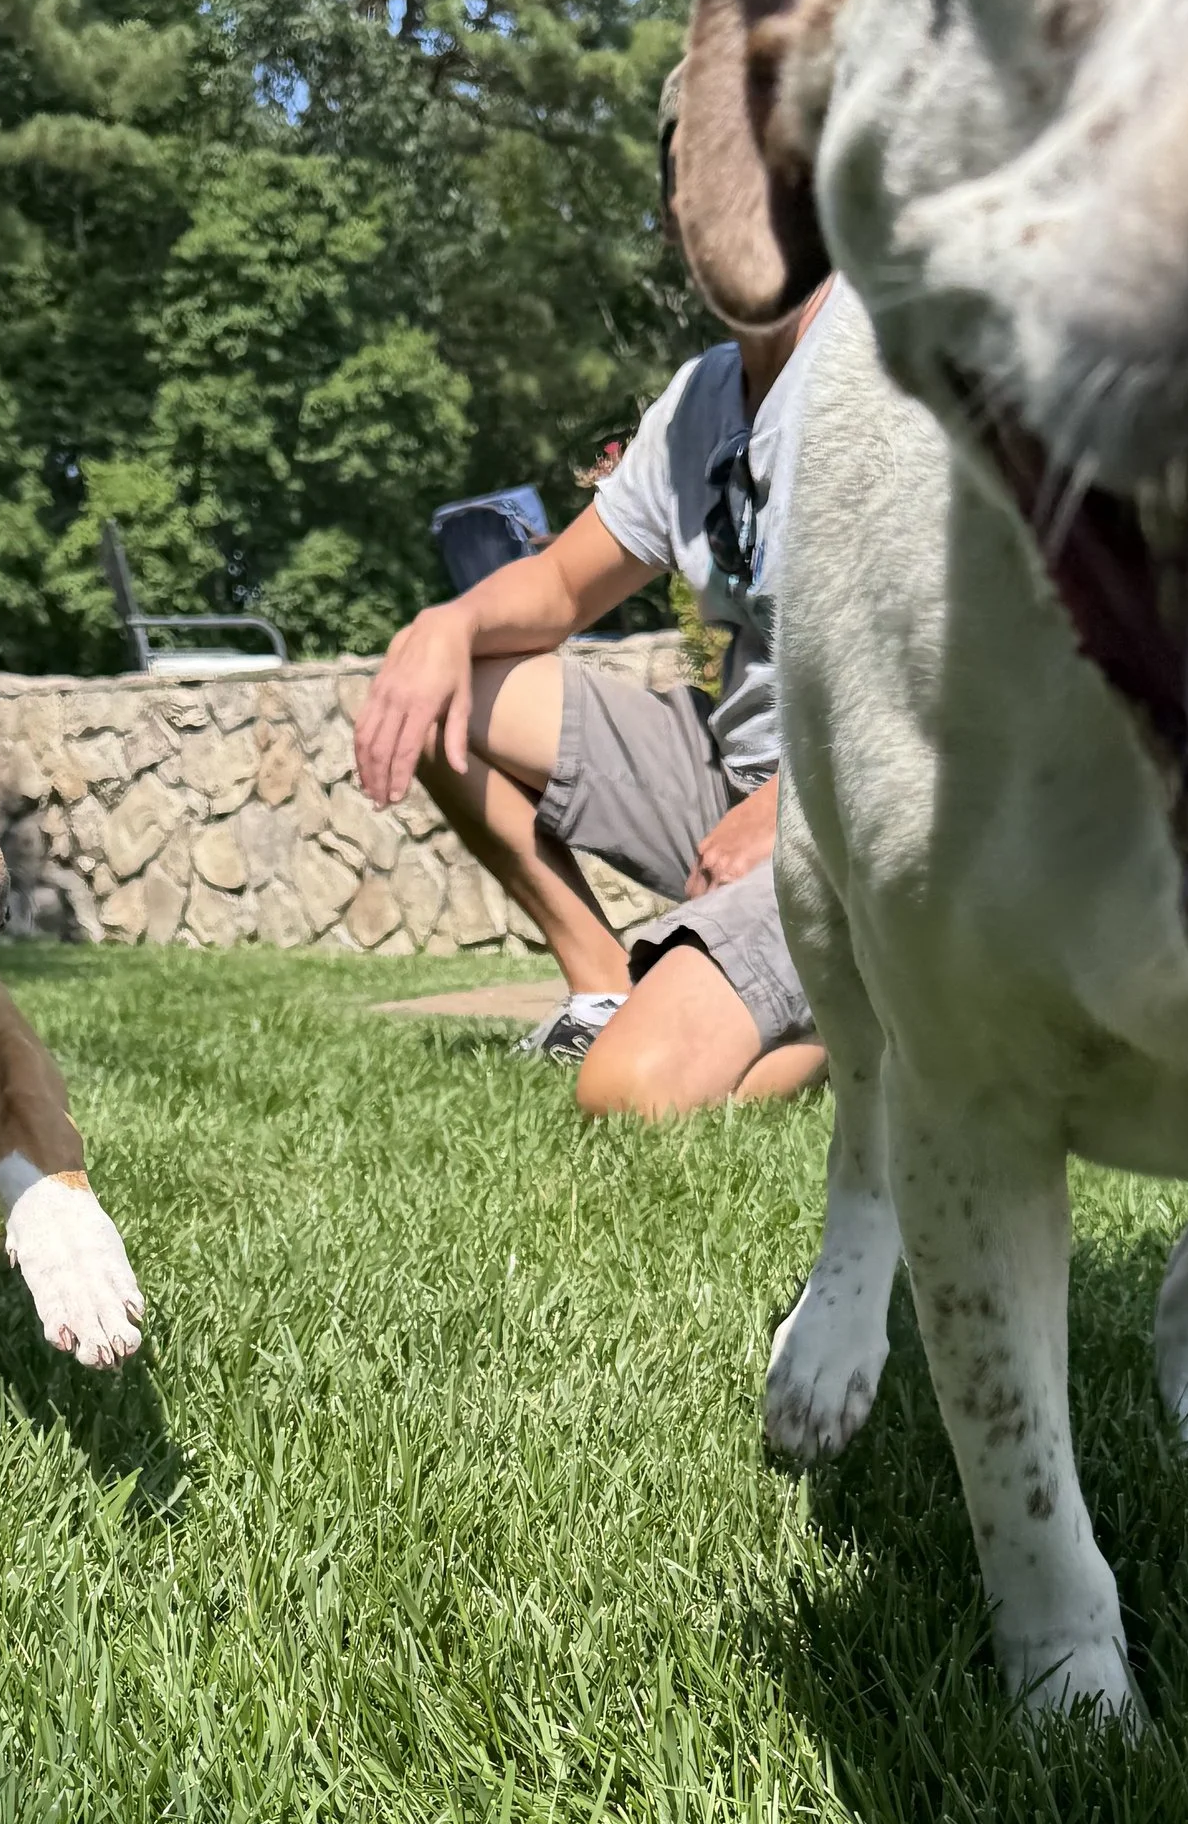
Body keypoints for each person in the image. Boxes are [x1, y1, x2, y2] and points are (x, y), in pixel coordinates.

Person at [352, 69, 836, 1119]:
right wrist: (445, 625)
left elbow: (994, 652)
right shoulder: (705, 397)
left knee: (627, 1096)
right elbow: (563, 582)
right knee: (447, 688)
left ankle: (857, 1024)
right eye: (696, 180)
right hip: (727, 778)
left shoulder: (888, 371)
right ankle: (601, 980)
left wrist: (800, 806)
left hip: (864, 822)